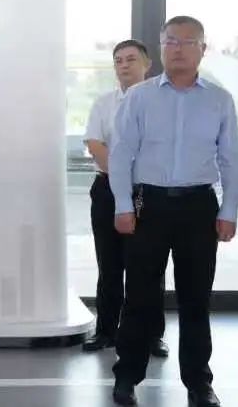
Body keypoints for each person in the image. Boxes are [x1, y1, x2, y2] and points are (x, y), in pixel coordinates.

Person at [109, 16, 238, 407]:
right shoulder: (140, 97)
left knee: (195, 299)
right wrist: (122, 205)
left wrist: (230, 208)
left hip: (198, 206)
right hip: (148, 205)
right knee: (139, 297)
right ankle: (126, 377)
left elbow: (231, 160)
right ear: (161, 47)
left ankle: (199, 384)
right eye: (170, 41)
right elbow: (121, 153)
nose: (178, 49)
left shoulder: (219, 100)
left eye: (188, 42)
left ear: (203, 49)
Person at [82, 40, 169, 358]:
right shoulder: (103, 103)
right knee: (109, 264)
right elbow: (96, 145)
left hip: (149, 191)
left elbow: (161, 149)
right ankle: (106, 330)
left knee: (149, 266)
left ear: (147, 64)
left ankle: (151, 335)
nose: (124, 65)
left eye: (131, 59)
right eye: (118, 60)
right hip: (106, 189)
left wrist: (137, 176)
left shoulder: (163, 103)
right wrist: (122, 177)